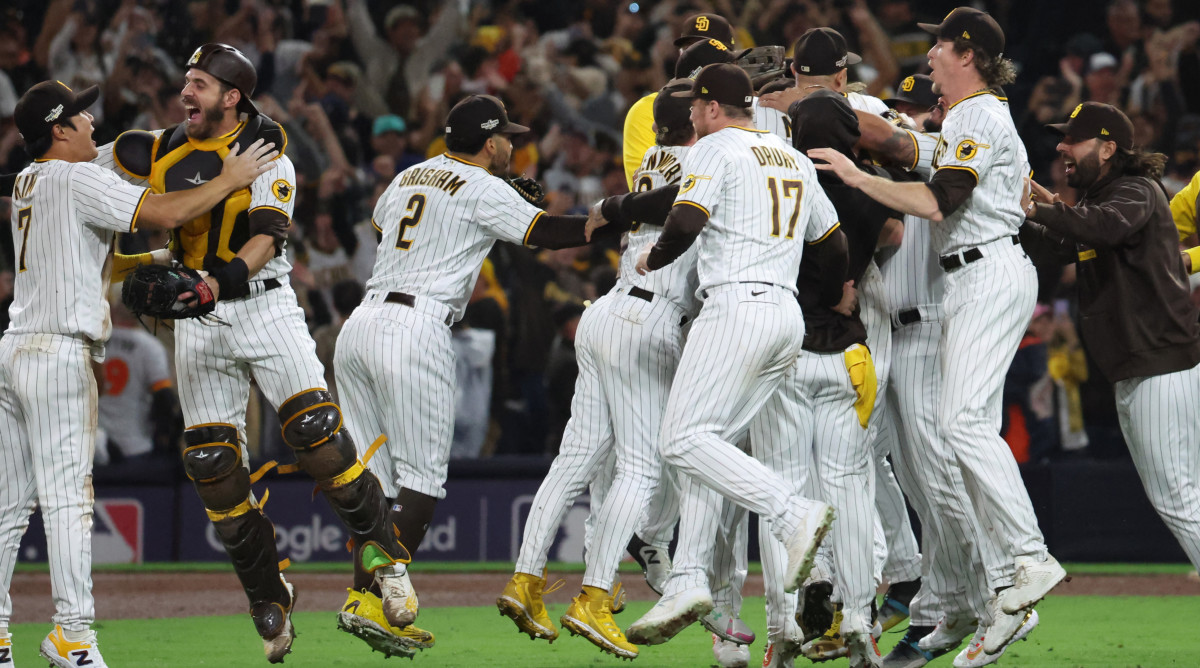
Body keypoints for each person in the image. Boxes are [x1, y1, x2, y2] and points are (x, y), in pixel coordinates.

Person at [92, 44, 417, 662]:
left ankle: (389, 561)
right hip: (197, 320)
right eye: (186, 82)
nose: (185, 93)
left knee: (318, 436)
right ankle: (268, 593)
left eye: (199, 85)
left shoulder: (269, 154)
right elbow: (76, 165)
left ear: (231, 96)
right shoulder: (156, 148)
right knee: (212, 465)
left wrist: (212, 282)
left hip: (263, 306)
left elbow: (267, 239)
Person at [807, 8, 1064, 666]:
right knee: (959, 430)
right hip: (973, 275)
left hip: (986, 270)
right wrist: (858, 128)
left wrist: (857, 174)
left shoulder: (978, 112)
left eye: (939, 48)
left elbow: (938, 200)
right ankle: (994, 588)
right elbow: (917, 149)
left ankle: (1026, 563)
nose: (928, 60)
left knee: (962, 427)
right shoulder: (967, 118)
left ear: (968, 53)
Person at [0, 79, 276, 668]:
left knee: (8, 507)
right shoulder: (74, 178)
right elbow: (166, 211)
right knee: (70, 501)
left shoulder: (30, 181)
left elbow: (95, 260)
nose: (93, 125)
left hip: (17, 348)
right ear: (58, 130)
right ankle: (71, 634)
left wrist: (159, 259)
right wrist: (231, 177)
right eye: (81, 117)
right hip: (56, 355)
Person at [334, 93, 618, 653]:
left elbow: (385, 220)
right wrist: (608, 219)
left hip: (360, 326)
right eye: (507, 135)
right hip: (415, 328)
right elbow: (548, 236)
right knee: (422, 482)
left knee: (377, 482)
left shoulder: (411, 174)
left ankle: (363, 600)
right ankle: (373, 598)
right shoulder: (487, 187)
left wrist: (488, 202)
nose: (513, 143)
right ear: (490, 143)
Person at [621, 63, 846, 648]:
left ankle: (790, 513)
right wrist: (828, 299)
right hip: (785, 315)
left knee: (681, 441)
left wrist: (655, 258)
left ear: (713, 108)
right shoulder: (787, 154)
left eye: (697, 105)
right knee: (710, 447)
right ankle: (689, 578)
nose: (691, 115)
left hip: (734, 307)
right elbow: (833, 242)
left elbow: (686, 219)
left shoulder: (713, 148)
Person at [498, 79, 701, 661]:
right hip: (649, 319)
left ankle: (525, 579)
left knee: (575, 461)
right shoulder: (700, 159)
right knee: (640, 465)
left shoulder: (656, 157)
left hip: (607, 311)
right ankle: (593, 595)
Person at [1022, 102, 1200, 572]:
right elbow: (1055, 244)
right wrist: (1015, 212)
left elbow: (1100, 228)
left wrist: (1044, 206)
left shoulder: (1136, 190)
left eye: (1072, 138)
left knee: (1179, 498)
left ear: (1107, 148)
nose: (1061, 146)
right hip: (1146, 366)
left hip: (1161, 366)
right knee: (1183, 495)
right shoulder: (1100, 202)